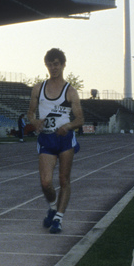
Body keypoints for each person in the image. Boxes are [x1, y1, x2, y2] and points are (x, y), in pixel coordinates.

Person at [26, 48, 84, 234]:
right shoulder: (38, 89)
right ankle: (52, 207)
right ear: (46, 66)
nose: (53, 68)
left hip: (65, 139)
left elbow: (80, 119)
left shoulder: (70, 92)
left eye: (56, 64)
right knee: (45, 182)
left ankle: (58, 219)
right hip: (47, 138)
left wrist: (67, 127)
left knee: (63, 179)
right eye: (50, 64)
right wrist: (35, 121)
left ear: (63, 65)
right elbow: (30, 113)